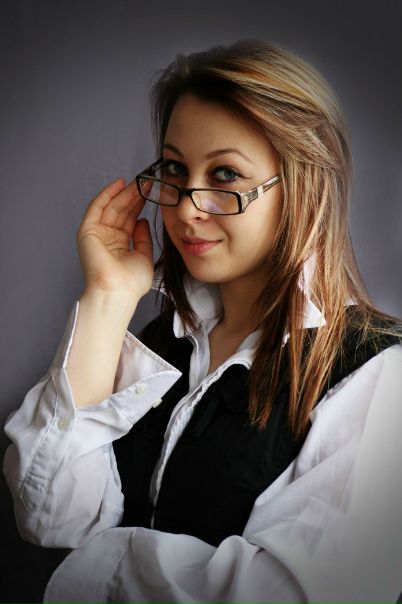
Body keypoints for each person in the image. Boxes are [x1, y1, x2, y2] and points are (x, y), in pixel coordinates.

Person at [3, 39, 402, 604]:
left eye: (226, 174)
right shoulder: (160, 342)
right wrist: (107, 298)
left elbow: (289, 594)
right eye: (174, 168)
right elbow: (53, 516)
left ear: (302, 185)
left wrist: (98, 565)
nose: (188, 207)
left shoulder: (379, 375)